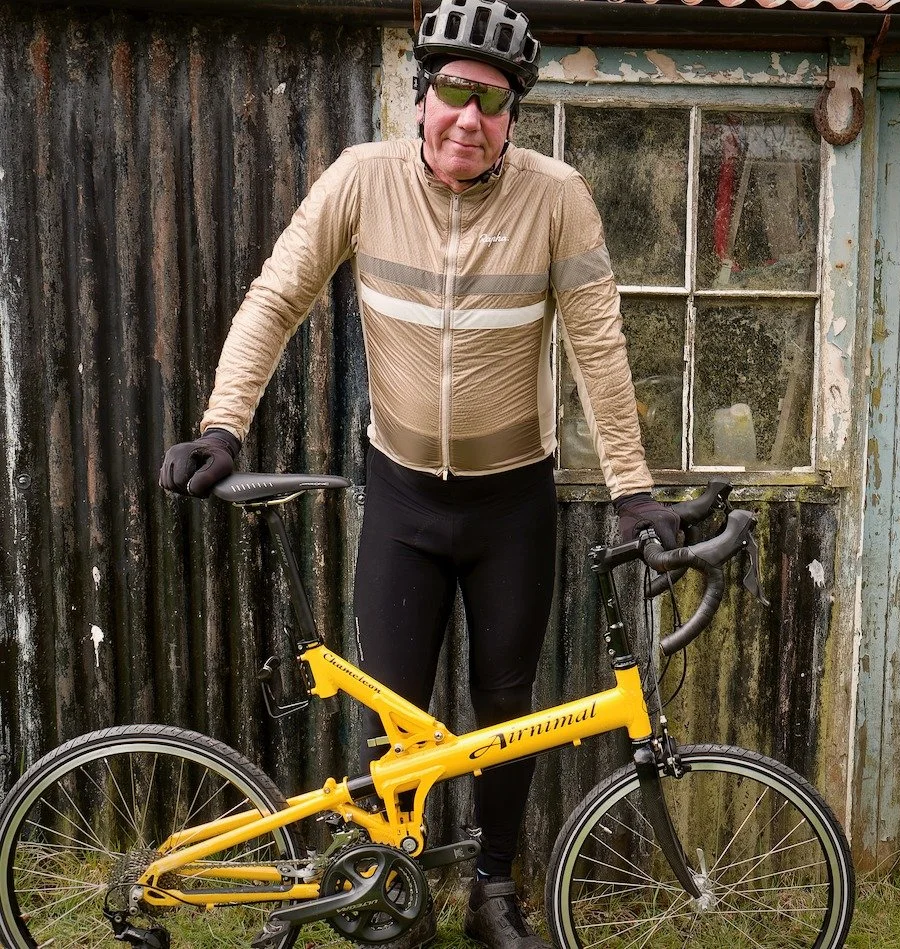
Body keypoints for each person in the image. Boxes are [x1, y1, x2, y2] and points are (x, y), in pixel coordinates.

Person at [158, 1, 680, 945]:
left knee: (507, 706)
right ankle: (393, 895)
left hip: (512, 498)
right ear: (421, 95)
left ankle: (492, 887)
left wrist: (631, 487)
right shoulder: (362, 179)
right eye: (451, 93)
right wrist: (224, 424)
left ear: (514, 115)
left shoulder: (557, 197)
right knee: (393, 700)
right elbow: (277, 298)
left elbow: (599, 349)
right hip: (400, 492)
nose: (467, 120)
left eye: (489, 101)